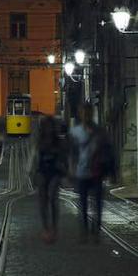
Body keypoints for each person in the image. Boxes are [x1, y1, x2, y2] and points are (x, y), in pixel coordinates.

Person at [68, 104, 115, 241]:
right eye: (84, 113)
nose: (86, 115)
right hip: (81, 172)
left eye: (88, 113)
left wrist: (111, 170)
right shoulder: (75, 132)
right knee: (82, 203)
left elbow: (108, 151)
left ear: (92, 113)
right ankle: (84, 230)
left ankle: (96, 230)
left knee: (97, 203)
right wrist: (71, 169)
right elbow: (71, 153)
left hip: (97, 172)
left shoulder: (100, 132)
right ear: (80, 114)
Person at [31, 113, 63, 242]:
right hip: (42, 172)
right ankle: (46, 228)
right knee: (43, 201)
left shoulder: (58, 141)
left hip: (55, 173)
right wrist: (33, 172)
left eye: (50, 126)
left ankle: (54, 228)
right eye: (46, 126)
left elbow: (63, 158)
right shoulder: (39, 141)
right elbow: (34, 158)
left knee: (53, 198)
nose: (49, 129)